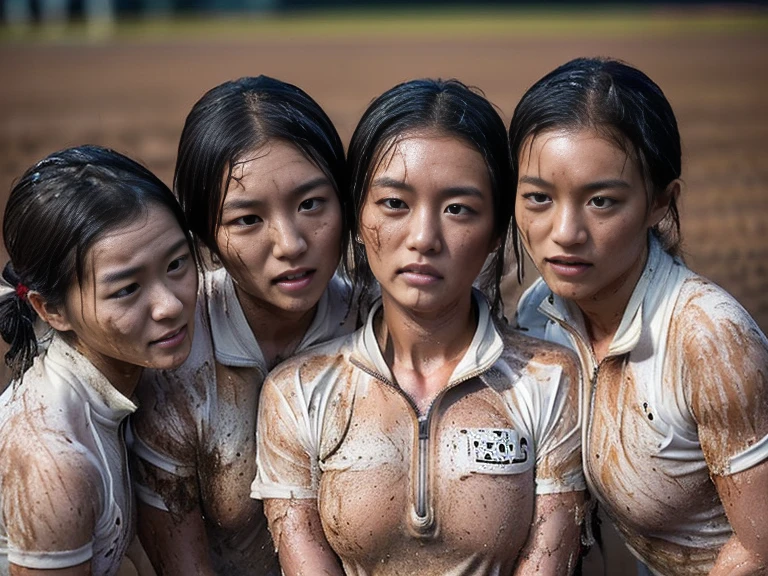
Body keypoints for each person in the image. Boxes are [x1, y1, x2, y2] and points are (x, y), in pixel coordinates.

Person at [251, 78, 586, 576]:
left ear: (497, 231)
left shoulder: (552, 380)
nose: (424, 238)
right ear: (359, 219)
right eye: (394, 204)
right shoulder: (297, 392)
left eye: (457, 209)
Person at [511, 57, 768, 576]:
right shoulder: (539, 313)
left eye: (601, 201)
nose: (565, 232)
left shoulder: (708, 340)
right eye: (538, 197)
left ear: (659, 202)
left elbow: (761, 547)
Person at [130, 76, 356, 576]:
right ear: (204, 236)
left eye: (311, 204)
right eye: (247, 220)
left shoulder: (380, 325)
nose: (291, 243)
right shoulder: (175, 356)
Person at [0, 145, 198, 575]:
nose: (168, 305)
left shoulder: (108, 382)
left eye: (177, 264)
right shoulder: (55, 465)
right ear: (51, 310)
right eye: (126, 289)